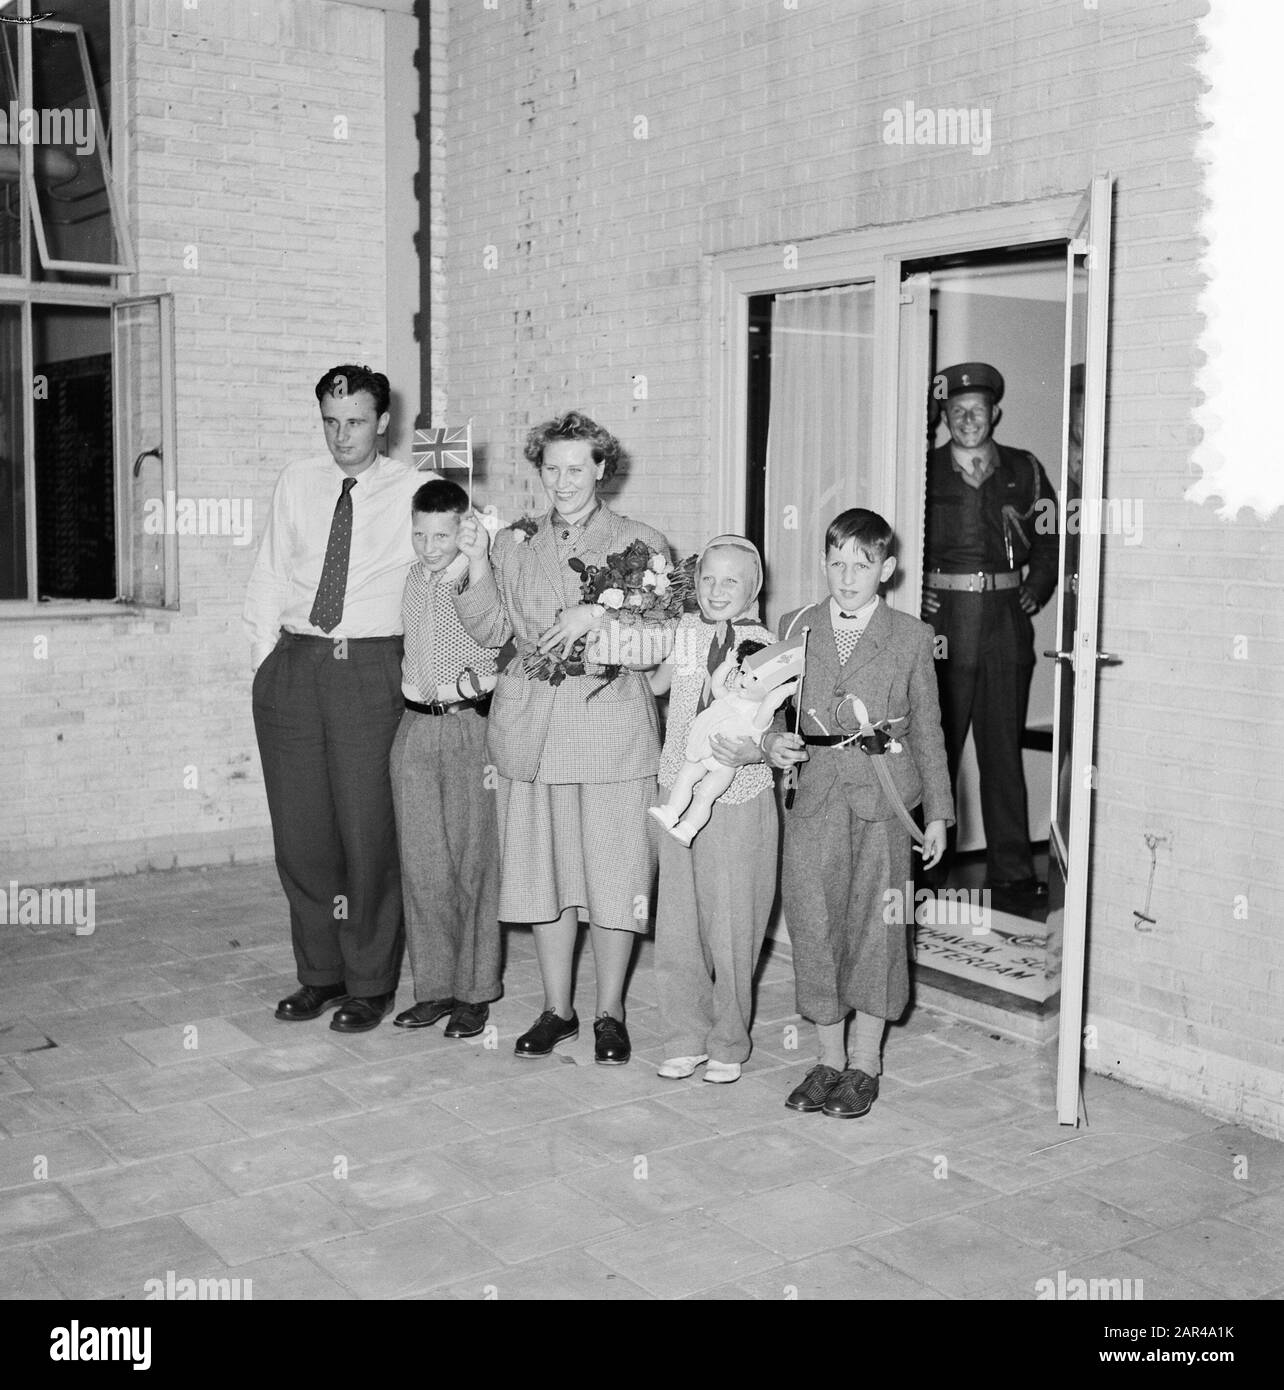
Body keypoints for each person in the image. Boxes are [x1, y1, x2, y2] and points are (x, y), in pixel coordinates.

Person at [453, 410, 669, 1066]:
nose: (565, 480)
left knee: (613, 873)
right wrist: (473, 565)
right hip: (533, 733)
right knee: (542, 877)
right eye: (553, 468)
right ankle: (557, 1009)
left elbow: (661, 638)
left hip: (610, 735)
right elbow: (491, 631)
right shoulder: (514, 544)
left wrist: (596, 615)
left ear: (603, 468)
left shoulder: (641, 541)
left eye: (578, 467)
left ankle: (610, 1012)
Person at [245, 365, 438, 1033]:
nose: (341, 435)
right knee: (302, 838)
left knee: (368, 835)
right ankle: (319, 975)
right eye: (330, 421)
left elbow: (455, 565)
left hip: (371, 668)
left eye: (354, 421)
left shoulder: (419, 490)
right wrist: (264, 664)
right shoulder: (298, 481)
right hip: (295, 667)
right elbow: (270, 572)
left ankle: (371, 981)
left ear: (383, 421)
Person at [775, 508, 952, 1119]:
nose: (847, 577)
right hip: (816, 793)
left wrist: (937, 814)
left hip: (884, 796)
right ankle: (827, 1059)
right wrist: (774, 742)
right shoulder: (795, 625)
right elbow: (773, 706)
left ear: (887, 568)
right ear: (824, 563)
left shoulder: (910, 636)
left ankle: (866, 1065)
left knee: (878, 927)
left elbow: (929, 727)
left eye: (862, 564)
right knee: (814, 921)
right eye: (837, 563)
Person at [648, 536, 803, 1085]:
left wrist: (757, 751)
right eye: (708, 578)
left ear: (753, 589)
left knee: (733, 922)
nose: (716, 590)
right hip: (679, 788)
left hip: (739, 794)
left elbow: (784, 729)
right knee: (678, 921)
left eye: (730, 581)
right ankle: (683, 1035)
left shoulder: (772, 649)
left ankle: (728, 1040)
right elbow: (656, 684)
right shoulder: (687, 634)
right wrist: (636, 616)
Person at [921, 362, 1058, 911]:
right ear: (947, 417)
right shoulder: (923, 469)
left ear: (995, 413)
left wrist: (1040, 584)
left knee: (1002, 750)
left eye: (977, 409)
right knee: (938, 750)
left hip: (1004, 622)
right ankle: (928, 867)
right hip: (943, 625)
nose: (968, 419)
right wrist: (913, 591)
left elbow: (1051, 534)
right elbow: (896, 538)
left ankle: (1012, 870)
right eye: (957, 411)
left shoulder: (1025, 470)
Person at [389, 479, 501, 1039]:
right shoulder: (413, 576)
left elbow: (503, 635)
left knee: (473, 864)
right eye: (419, 534)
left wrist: (477, 565)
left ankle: (474, 993)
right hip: (414, 727)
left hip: (467, 728)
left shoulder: (482, 575)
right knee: (423, 864)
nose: (430, 546)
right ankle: (433, 987)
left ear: (465, 527)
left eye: (442, 534)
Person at [648, 635, 796, 846]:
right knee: (685, 776)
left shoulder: (759, 714)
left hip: (724, 764)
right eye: (743, 673)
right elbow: (717, 686)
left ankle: (689, 828)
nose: (744, 680)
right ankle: (671, 812)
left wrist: (789, 688)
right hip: (703, 750)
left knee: (705, 795)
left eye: (755, 679)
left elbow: (772, 702)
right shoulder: (732, 696)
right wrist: (727, 666)